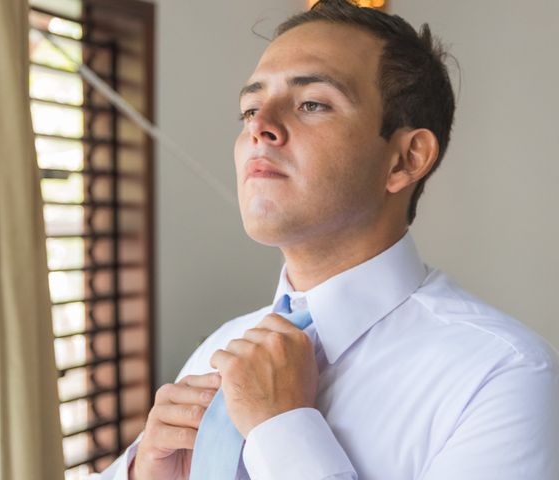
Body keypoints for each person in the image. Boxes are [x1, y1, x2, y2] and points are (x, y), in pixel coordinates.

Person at [92, 1, 559, 479]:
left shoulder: (504, 375)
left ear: (405, 159)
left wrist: (282, 429)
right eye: (250, 108)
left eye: (312, 103)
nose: (259, 126)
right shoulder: (218, 349)